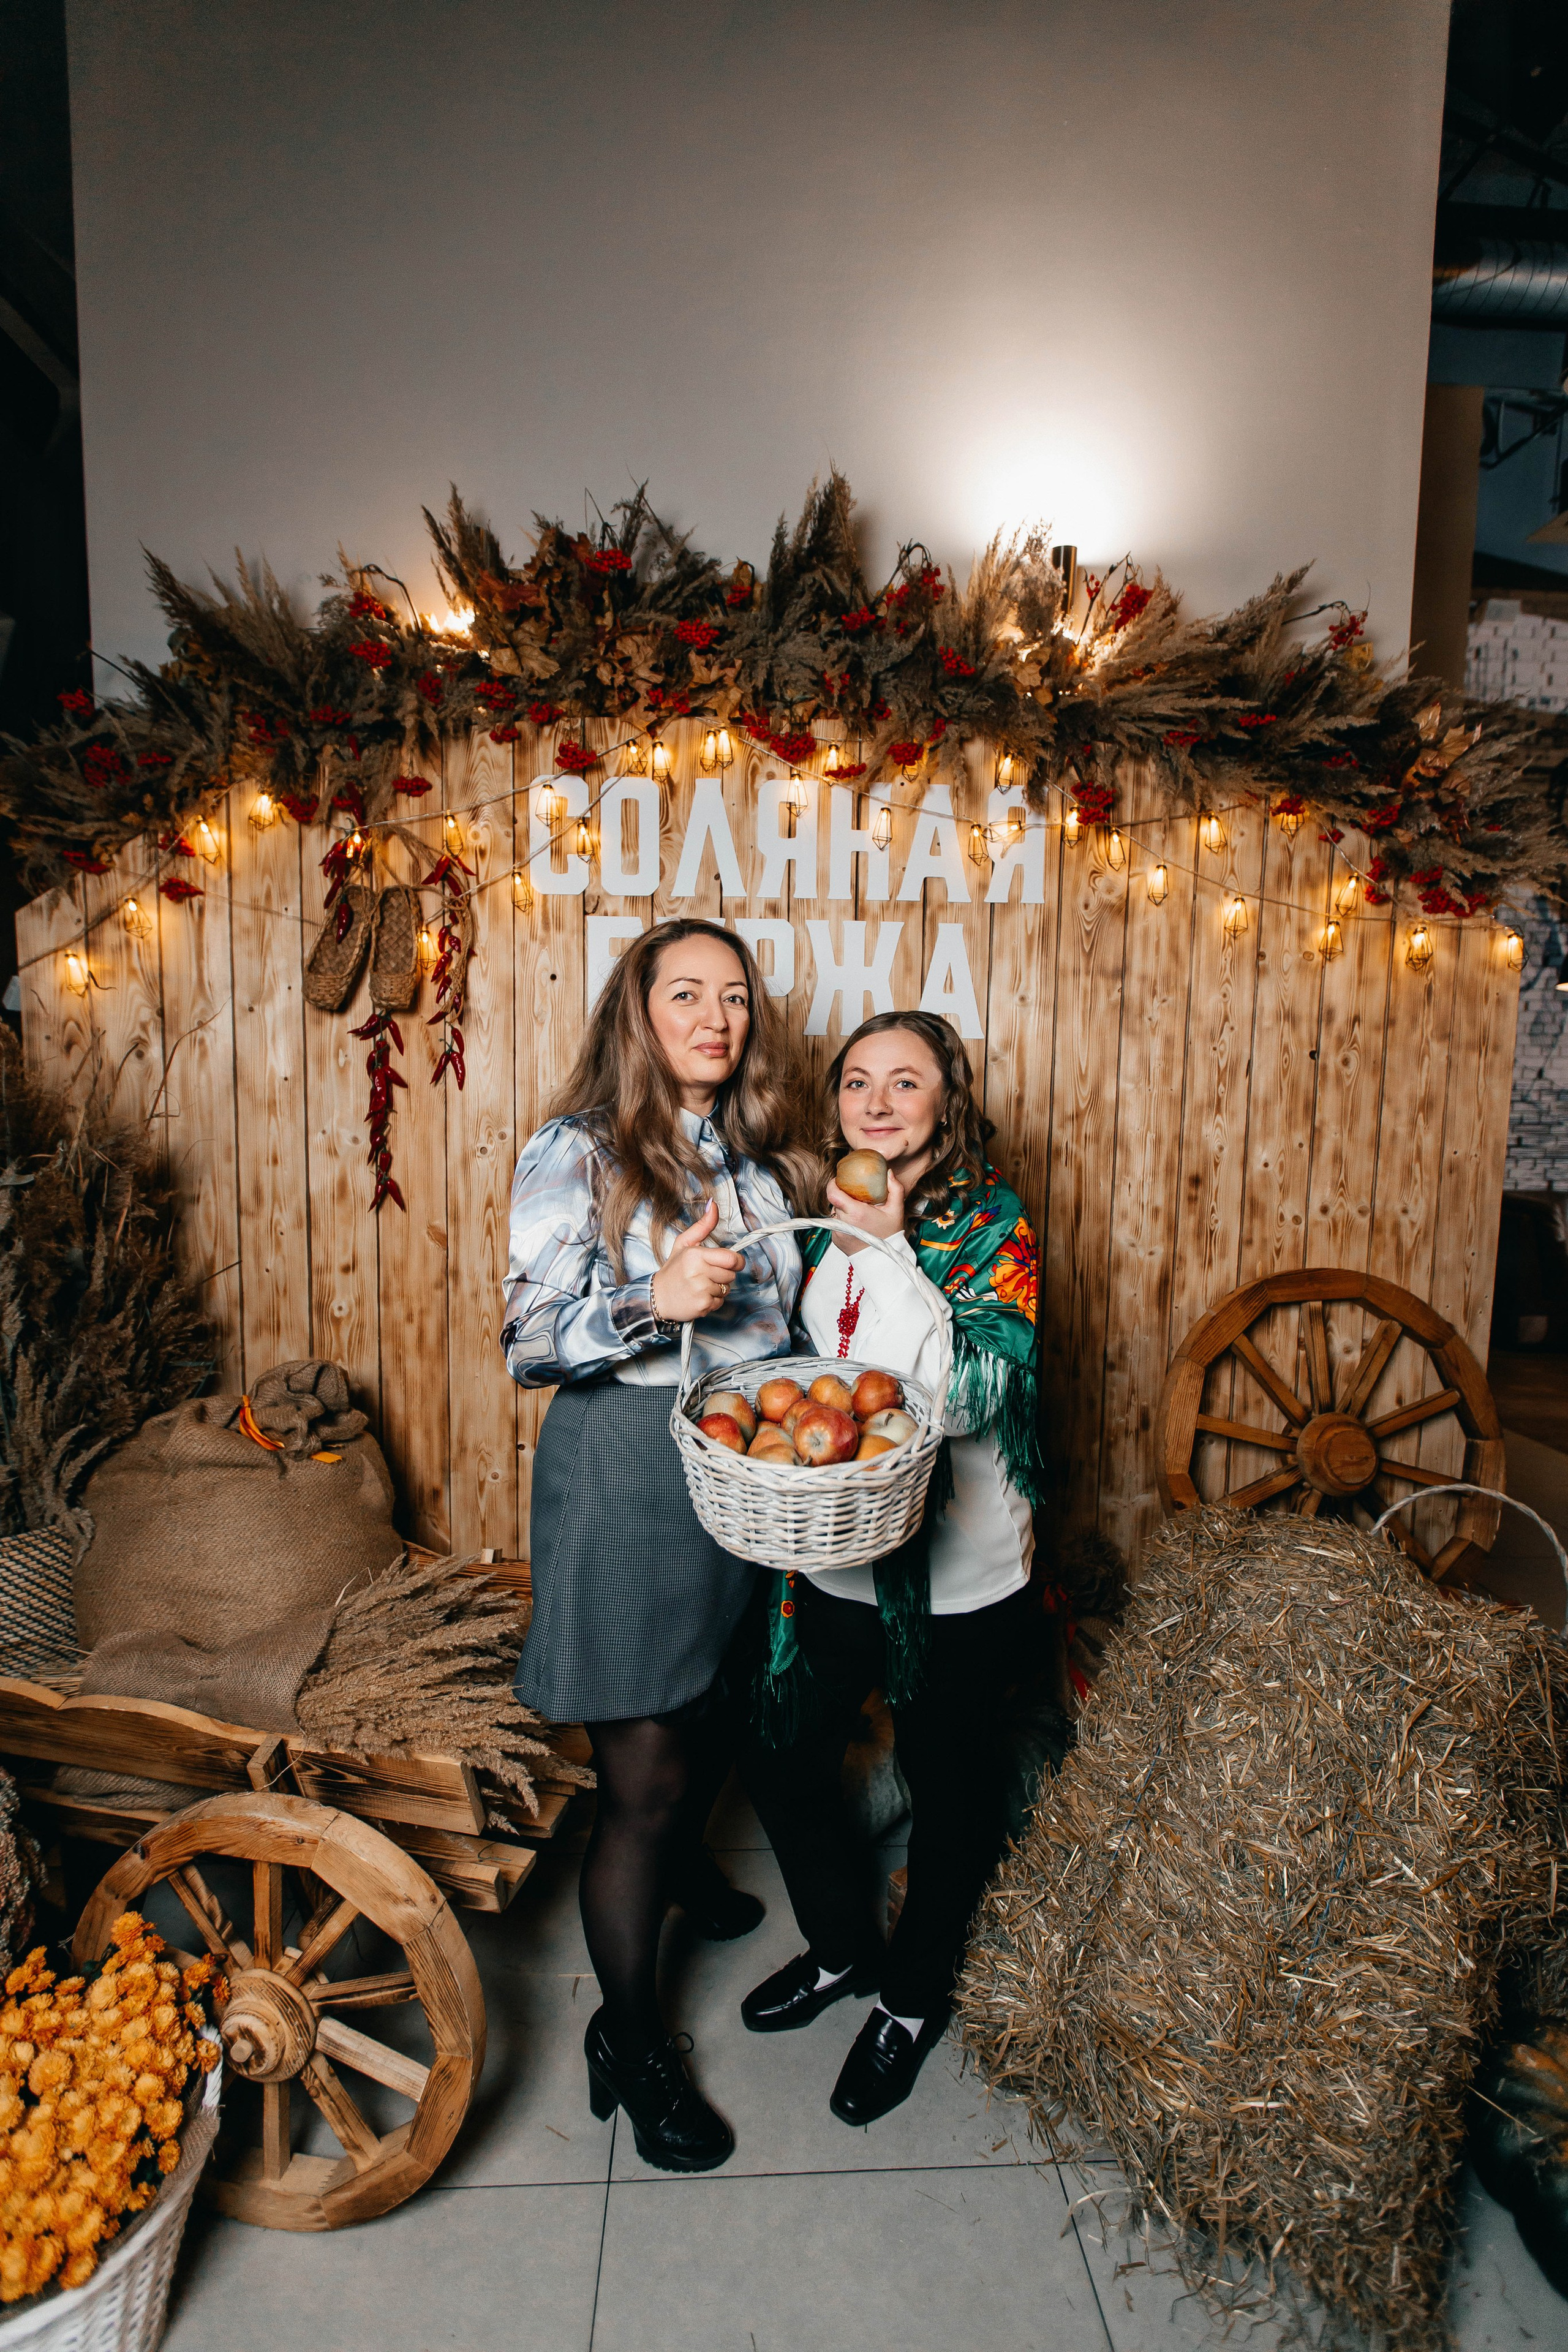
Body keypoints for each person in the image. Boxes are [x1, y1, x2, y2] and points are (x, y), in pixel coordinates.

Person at [501, 918, 816, 2173]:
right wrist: (652, 1299)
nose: (715, 1016)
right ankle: (628, 2046)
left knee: (715, 1705)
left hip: (740, 1473)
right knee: (641, 1782)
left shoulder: (758, 1165)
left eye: (732, 997)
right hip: (628, 1470)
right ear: (635, 1015)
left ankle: (682, 1868)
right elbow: (529, 1343)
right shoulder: (573, 1150)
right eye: (684, 993)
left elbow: (779, 1333)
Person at [741, 1009, 1043, 2125]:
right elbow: (816, 1382)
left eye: (904, 1083)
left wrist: (893, 1245)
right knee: (775, 1749)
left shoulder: (991, 1229)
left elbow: (965, 1397)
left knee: (949, 1785)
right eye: (859, 1082)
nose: (876, 1101)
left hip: (960, 1582)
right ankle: (838, 1947)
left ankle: (911, 2002)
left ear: (943, 1106)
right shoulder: (821, 1231)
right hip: (841, 1565)